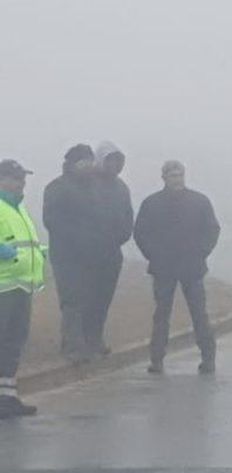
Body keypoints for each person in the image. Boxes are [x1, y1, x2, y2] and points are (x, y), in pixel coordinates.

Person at [133, 160, 220, 375]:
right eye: (172, 175)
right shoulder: (151, 203)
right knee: (161, 315)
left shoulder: (200, 201)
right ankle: (157, 359)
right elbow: (141, 233)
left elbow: (212, 229)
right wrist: (153, 255)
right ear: (164, 178)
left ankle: (208, 358)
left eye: (179, 175)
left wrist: (201, 252)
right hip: (163, 267)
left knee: (199, 314)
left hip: (192, 266)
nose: (177, 179)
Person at [41, 143, 106, 363]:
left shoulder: (95, 188)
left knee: (91, 299)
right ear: (71, 164)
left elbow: (101, 218)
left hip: (93, 255)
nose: (87, 167)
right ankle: (72, 347)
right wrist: (79, 238)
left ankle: (89, 342)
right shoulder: (56, 188)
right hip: (67, 256)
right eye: (83, 163)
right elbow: (52, 221)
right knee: (72, 301)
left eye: (90, 162)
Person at [0, 159, 46, 418]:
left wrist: (40, 254)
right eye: (16, 179)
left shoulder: (19, 208)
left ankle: (7, 397)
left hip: (22, 285)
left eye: (23, 179)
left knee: (13, 343)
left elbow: (25, 243)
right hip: (2, 287)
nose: (22, 183)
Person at [88, 141, 133, 357]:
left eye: (117, 161)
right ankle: (78, 341)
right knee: (83, 299)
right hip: (87, 254)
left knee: (103, 300)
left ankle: (96, 338)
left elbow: (127, 219)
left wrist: (118, 238)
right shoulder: (87, 184)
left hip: (112, 252)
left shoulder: (121, 188)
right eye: (109, 160)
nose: (114, 165)